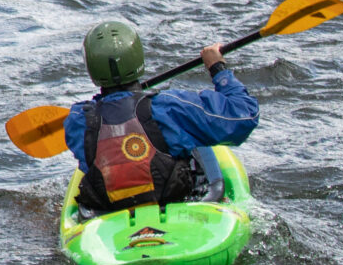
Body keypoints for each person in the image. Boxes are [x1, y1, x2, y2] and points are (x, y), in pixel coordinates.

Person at [64, 22, 260, 213]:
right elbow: (244, 115)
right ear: (138, 59)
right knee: (192, 138)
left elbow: (109, 114)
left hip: (111, 213)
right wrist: (217, 68)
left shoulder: (78, 120)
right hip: (171, 204)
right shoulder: (168, 107)